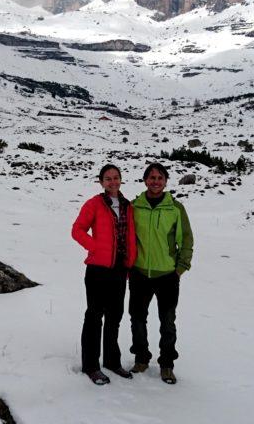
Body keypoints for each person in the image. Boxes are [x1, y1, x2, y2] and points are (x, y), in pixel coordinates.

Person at [71, 163, 137, 385]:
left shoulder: (128, 206)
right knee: (94, 317)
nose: (112, 182)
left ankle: (111, 361)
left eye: (116, 177)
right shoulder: (95, 204)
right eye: (107, 178)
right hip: (98, 269)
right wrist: (95, 247)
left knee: (115, 317)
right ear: (101, 182)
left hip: (119, 269)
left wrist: (129, 263)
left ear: (121, 180)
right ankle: (91, 365)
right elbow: (77, 230)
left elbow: (130, 236)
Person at [129, 162, 193, 385]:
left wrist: (180, 268)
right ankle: (141, 358)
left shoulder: (175, 208)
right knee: (137, 319)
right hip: (139, 274)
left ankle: (166, 364)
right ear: (145, 180)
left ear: (165, 181)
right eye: (151, 177)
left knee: (167, 322)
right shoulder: (134, 206)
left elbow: (186, 239)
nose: (155, 181)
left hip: (167, 275)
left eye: (159, 178)